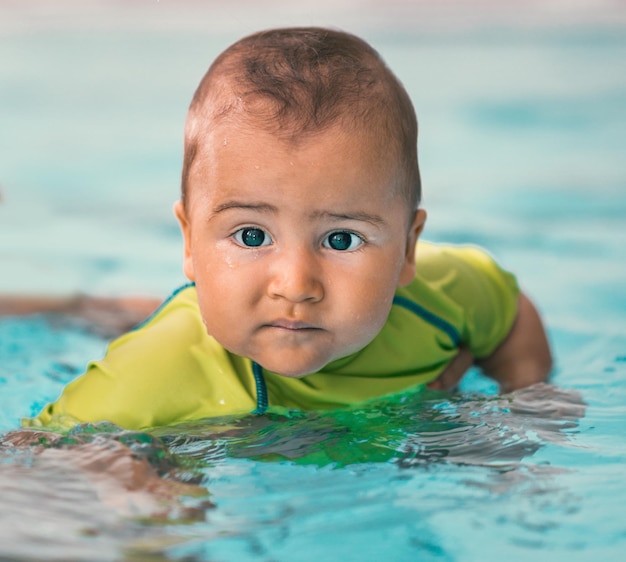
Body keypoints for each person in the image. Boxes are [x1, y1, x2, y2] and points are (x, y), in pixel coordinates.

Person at [21, 27, 551, 432]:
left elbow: (511, 312)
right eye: (251, 236)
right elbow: (33, 461)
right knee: (121, 319)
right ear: (188, 240)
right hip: (184, 338)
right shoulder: (154, 373)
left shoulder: (439, 296)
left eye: (340, 240)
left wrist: (520, 404)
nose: (296, 284)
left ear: (407, 249)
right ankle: (69, 304)